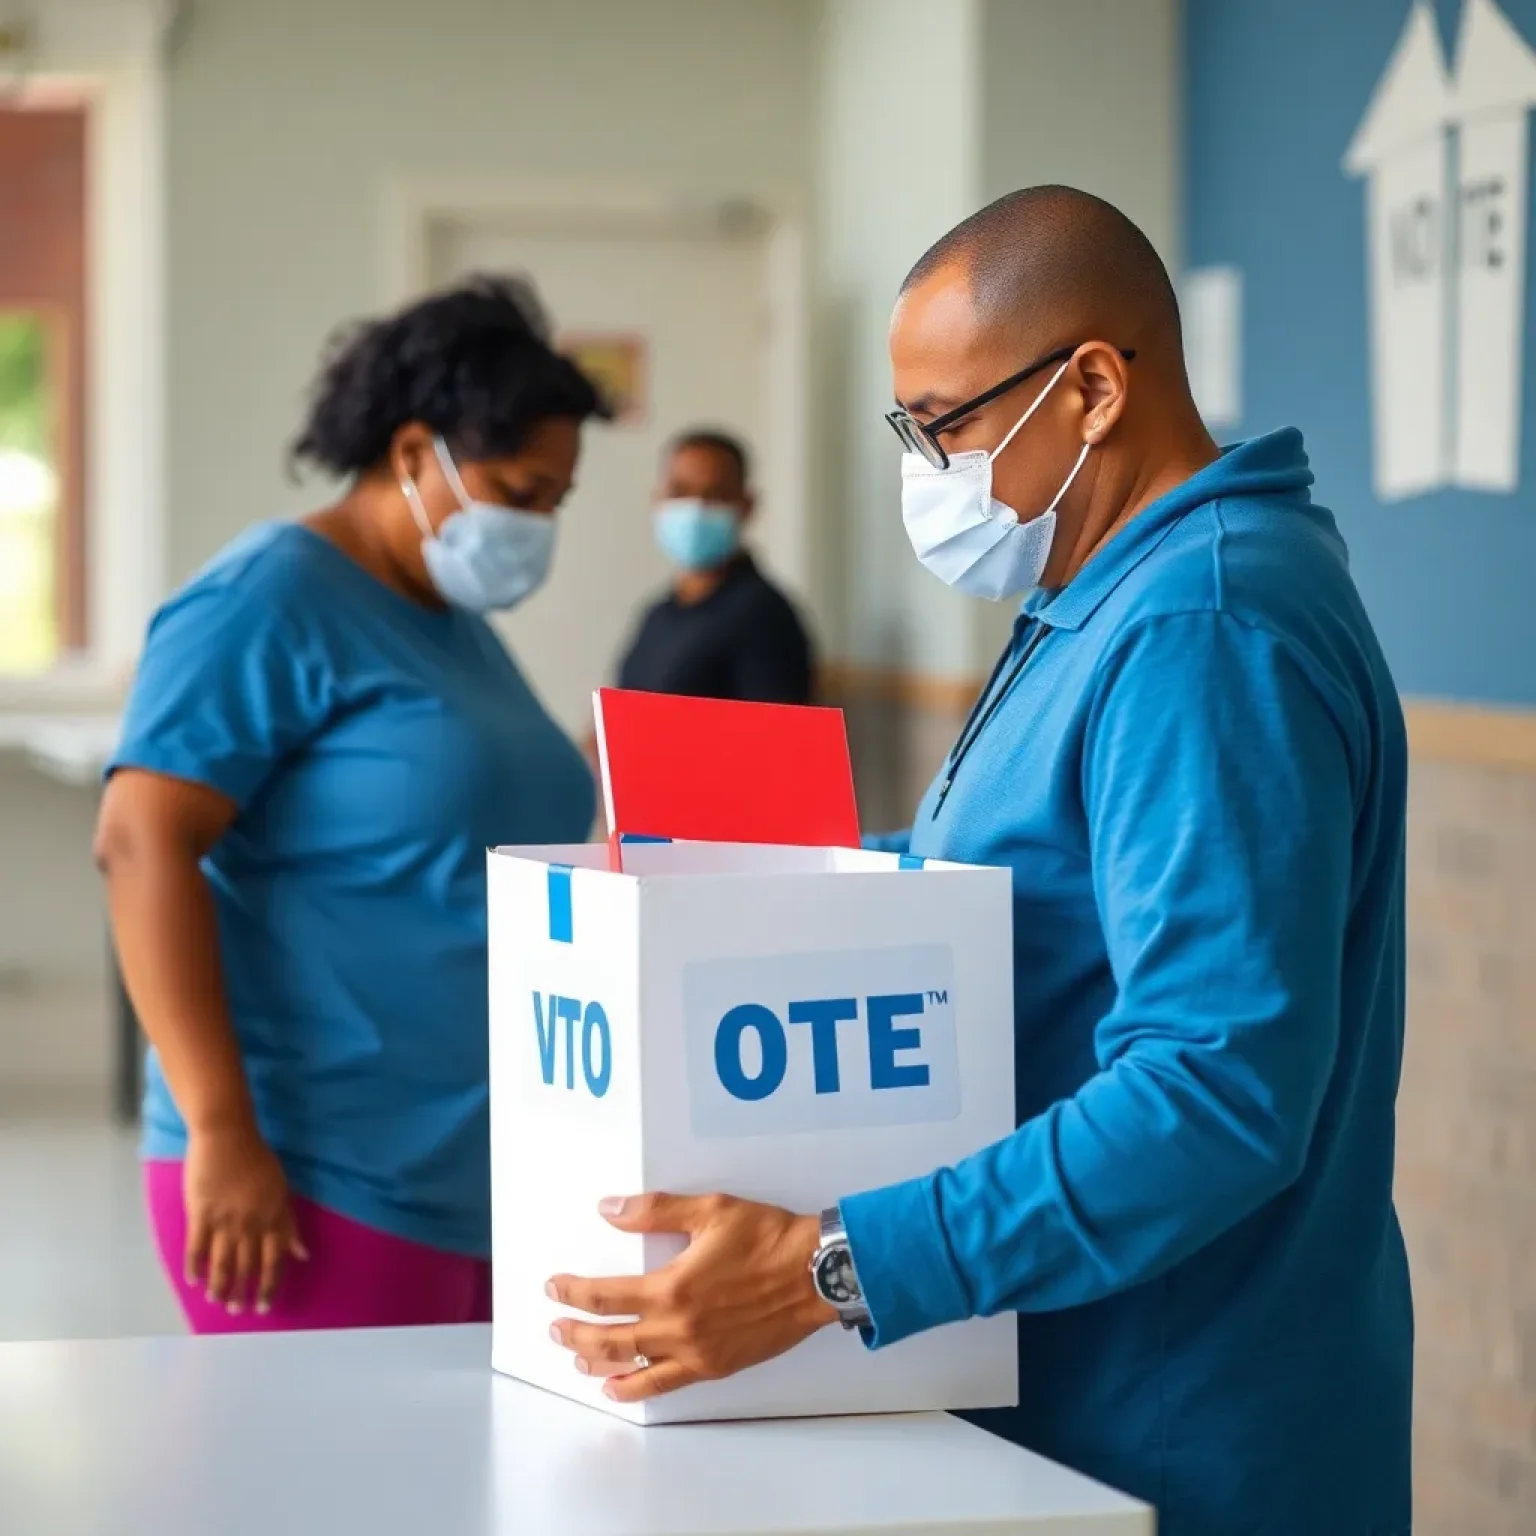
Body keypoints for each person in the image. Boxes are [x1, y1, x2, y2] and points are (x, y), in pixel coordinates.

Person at [542, 188, 1412, 1536]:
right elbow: (1019, 876)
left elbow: (1217, 1090)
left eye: (942, 424)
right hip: (1071, 1407)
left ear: (1094, 389)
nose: (925, 465)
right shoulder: (1106, 592)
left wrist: (827, 1271)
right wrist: (721, 866)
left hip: (1178, 1433)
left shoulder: (1206, 625)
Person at [95, 275, 609, 1333]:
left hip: (472, 1175)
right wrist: (221, 1130)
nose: (540, 528)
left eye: (556, 501)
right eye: (519, 492)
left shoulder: (453, 624)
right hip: (308, 1175)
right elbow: (141, 842)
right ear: (416, 454)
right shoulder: (270, 594)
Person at [614, 429, 814, 705]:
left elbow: (778, 739)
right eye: (679, 492)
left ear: (746, 506)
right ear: (657, 499)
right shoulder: (658, 613)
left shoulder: (763, 615)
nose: (695, 508)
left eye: (715, 494)